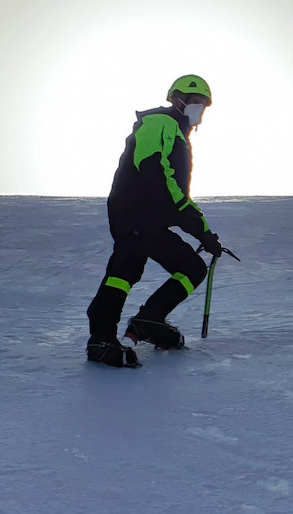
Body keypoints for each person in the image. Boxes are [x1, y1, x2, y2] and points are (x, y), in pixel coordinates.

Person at [86, 75, 223, 368]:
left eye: (203, 105)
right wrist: (200, 230)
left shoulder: (179, 135)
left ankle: (150, 319)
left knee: (191, 267)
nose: (198, 109)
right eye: (195, 101)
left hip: (151, 219)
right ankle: (101, 338)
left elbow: (175, 192)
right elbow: (156, 171)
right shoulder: (160, 123)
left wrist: (204, 232)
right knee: (124, 270)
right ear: (177, 99)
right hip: (134, 212)